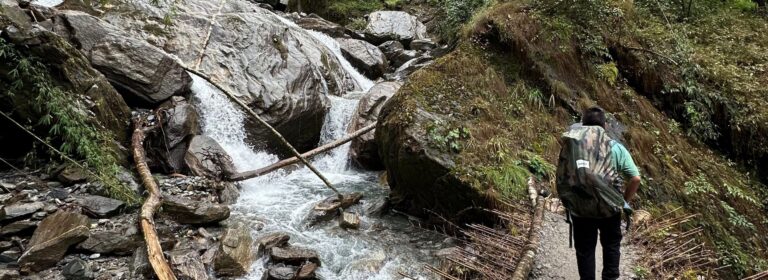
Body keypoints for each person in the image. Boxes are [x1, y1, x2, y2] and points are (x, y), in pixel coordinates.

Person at [571, 107, 641, 280]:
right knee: (610, 244)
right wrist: (622, 201)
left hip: (582, 207)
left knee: (585, 249)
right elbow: (635, 179)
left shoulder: (574, 146)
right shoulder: (616, 148)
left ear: (583, 125)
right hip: (610, 207)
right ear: (606, 126)